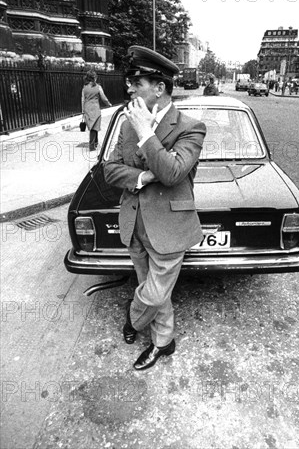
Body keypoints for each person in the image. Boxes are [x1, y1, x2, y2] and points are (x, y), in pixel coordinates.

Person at [104, 45, 206, 371]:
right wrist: (144, 175)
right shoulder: (127, 123)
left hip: (169, 227)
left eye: (138, 83)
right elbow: (110, 171)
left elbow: (172, 172)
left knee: (153, 290)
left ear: (159, 88)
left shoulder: (190, 127)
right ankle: (165, 339)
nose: (130, 89)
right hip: (134, 224)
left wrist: (147, 131)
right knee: (150, 285)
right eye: (131, 83)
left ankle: (134, 320)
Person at [81, 69, 112, 151]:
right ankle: (92, 145)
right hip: (95, 108)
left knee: (93, 126)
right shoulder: (98, 87)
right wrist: (108, 104)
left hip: (87, 108)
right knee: (94, 127)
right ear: (94, 78)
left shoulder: (84, 88)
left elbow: (82, 100)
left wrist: (82, 110)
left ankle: (95, 142)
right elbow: (103, 98)